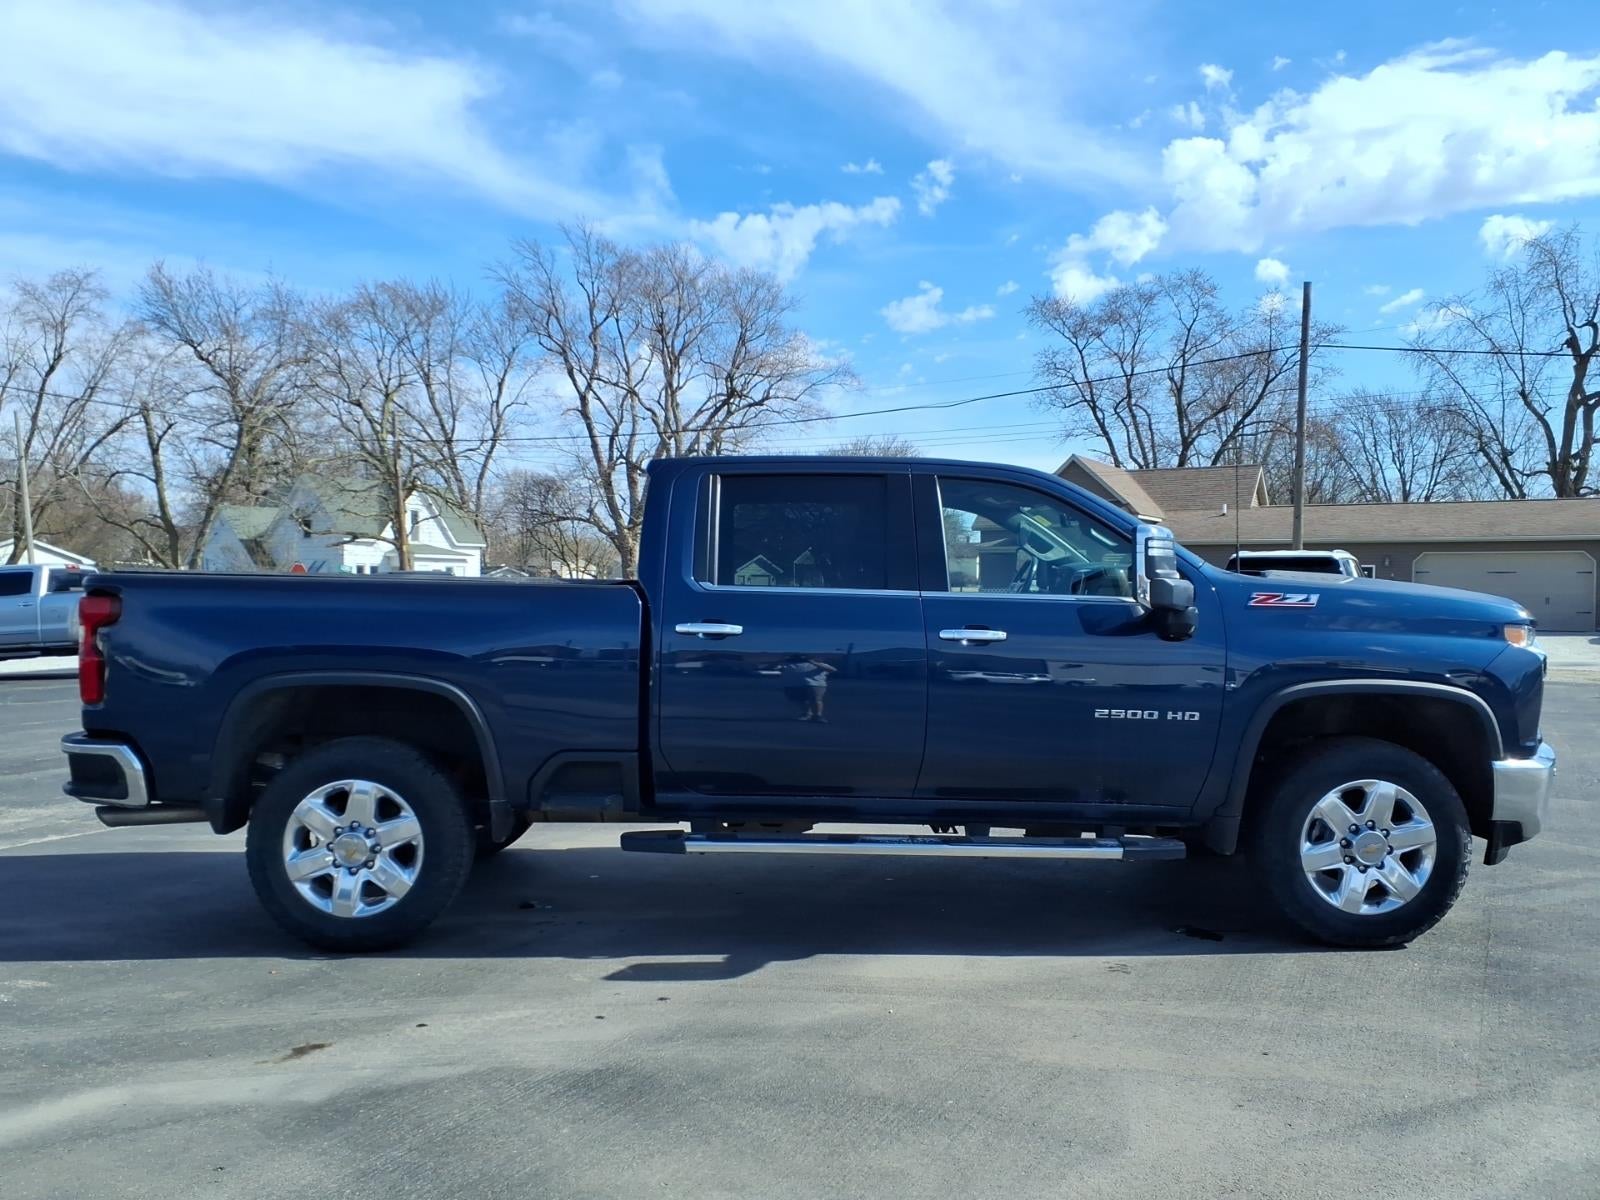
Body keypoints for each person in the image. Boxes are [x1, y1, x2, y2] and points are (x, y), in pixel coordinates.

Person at [779, 655, 837, 722]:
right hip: (794, 685)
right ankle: (807, 714)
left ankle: (818, 716)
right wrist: (782, 660)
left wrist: (813, 662)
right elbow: (770, 667)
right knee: (800, 700)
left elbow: (833, 670)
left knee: (816, 700)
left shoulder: (820, 664)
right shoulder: (788, 664)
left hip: (815, 684)